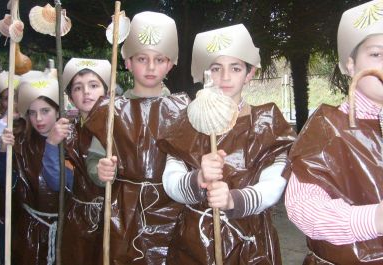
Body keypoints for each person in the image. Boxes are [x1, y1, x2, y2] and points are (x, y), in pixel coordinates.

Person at [156, 24, 296, 265]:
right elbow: (170, 181)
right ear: (204, 74)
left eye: (236, 68)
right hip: (194, 241)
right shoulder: (186, 123)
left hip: (251, 242)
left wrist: (234, 200)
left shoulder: (266, 122)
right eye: (216, 68)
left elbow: (275, 183)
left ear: (249, 73)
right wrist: (197, 178)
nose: (226, 77)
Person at [84, 11, 190, 265]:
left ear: (170, 63)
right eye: (142, 58)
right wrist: (100, 170)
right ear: (128, 62)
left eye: (159, 59)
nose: (151, 67)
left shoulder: (184, 109)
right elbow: (94, 159)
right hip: (123, 210)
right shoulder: (110, 110)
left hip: (172, 209)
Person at [284, 1, 383, 264]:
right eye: (377, 54)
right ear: (350, 65)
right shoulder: (328, 126)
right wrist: (373, 219)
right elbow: (302, 205)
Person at [43, 58, 111, 265]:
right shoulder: (67, 132)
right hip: (78, 218)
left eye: (93, 85)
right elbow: (57, 181)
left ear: (106, 90)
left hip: (115, 216)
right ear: (70, 95)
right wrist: (52, 144)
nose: (86, 93)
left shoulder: (120, 125)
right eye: (78, 88)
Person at [0, 71, 61, 264]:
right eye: (32, 112)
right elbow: (5, 181)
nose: (38, 119)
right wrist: (4, 152)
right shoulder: (21, 143)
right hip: (29, 228)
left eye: (45, 111)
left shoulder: (71, 141)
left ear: (57, 110)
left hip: (66, 228)